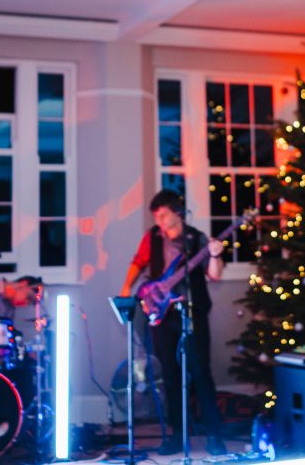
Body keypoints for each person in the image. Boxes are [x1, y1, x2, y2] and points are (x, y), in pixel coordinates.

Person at [119, 189, 227, 456]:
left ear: (177, 212)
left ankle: (214, 435)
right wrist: (126, 288)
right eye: (156, 216)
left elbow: (214, 275)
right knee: (169, 376)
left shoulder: (196, 239)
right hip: (161, 315)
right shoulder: (152, 238)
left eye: (163, 215)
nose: (159, 221)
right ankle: (177, 436)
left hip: (191, 314)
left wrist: (214, 254)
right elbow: (138, 262)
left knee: (201, 374)